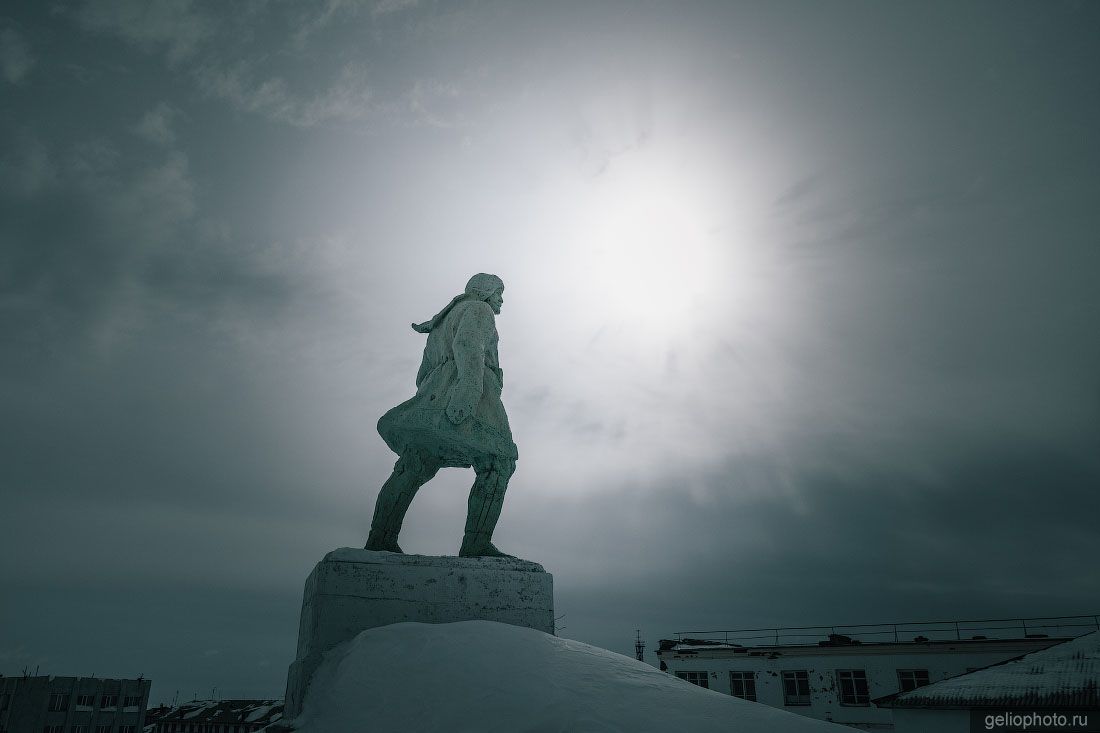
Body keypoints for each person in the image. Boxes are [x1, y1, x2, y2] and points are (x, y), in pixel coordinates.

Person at [365, 273, 519, 557]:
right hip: (471, 391)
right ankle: (476, 543)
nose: (501, 299)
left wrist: (431, 397)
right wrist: (468, 392)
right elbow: (467, 346)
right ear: (484, 292)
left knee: (416, 462)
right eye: (499, 292)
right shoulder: (478, 309)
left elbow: (423, 373)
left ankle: (380, 538)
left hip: (435, 392)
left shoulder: (443, 322)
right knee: (499, 462)